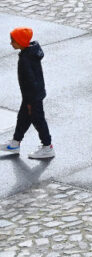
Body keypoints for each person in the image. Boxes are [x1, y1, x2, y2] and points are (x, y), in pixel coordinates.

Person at [2, 27, 54, 160]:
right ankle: (15, 143)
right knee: (23, 118)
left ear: (20, 42)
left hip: (32, 96)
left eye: (13, 41)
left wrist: (30, 101)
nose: (11, 43)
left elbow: (30, 81)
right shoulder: (30, 53)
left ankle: (47, 147)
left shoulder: (25, 59)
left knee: (38, 120)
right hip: (31, 95)